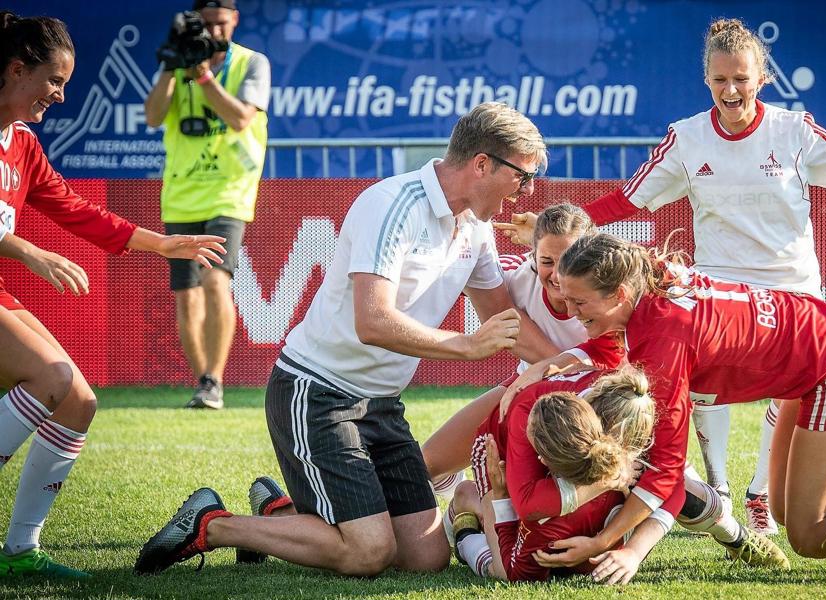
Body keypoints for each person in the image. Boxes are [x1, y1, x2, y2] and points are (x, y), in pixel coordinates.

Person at [498, 17, 826, 535]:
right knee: (700, 391)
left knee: (789, 394)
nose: (731, 90)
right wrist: (557, 225)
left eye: (741, 78)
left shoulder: (793, 130)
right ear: (706, 80)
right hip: (720, 283)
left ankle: (760, 492)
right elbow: (627, 199)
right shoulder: (686, 138)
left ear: (761, 78)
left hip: (792, 286)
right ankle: (720, 489)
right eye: (720, 79)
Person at [135, 101, 558, 578]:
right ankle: (213, 524)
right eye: (522, 177)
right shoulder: (391, 203)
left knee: (427, 558)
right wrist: (464, 344)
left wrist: (589, 371)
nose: (526, 192)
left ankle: (280, 515)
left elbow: (508, 320)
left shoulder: (477, 228)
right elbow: (372, 321)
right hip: (317, 394)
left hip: (382, 405)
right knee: (368, 553)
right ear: (482, 164)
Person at [512, 233, 826, 586]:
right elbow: (625, 344)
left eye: (578, 302)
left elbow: (666, 469)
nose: (570, 312)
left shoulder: (662, 340)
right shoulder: (647, 284)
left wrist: (607, 540)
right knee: (786, 504)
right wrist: (561, 362)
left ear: (618, 294)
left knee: (809, 532)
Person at [0, 12, 226, 578]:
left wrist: (164, 245)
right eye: (53, 80)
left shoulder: (23, 143)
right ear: (15, 67)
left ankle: (21, 552)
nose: (60, 94)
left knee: (79, 402)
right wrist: (27, 251)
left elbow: (77, 211)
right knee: (50, 380)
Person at [450, 366, 787, 584]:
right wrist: (500, 496)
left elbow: (672, 491)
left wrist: (629, 550)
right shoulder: (536, 414)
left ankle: (737, 537)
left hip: (594, 469)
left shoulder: (641, 407)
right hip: (508, 457)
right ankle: (470, 507)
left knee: (687, 492)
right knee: (508, 564)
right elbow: (527, 505)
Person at [144, 0, 271, 409]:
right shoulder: (179, 62)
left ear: (234, 20)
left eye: (222, 24)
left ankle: (215, 379)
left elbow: (239, 118)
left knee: (217, 280)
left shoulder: (252, 63)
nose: (215, 33)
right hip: (181, 193)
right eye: (208, 25)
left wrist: (201, 75)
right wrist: (170, 64)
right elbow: (152, 115)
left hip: (228, 190)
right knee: (186, 293)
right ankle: (203, 382)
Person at [421, 203, 597, 497]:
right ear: (532, 255)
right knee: (424, 465)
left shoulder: (611, 287)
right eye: (547, 261)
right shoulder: (516, 277)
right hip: (524, 391)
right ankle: (461, 494)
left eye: (569, 259)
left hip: (595, 404)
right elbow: (459, 268)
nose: (557, 275)